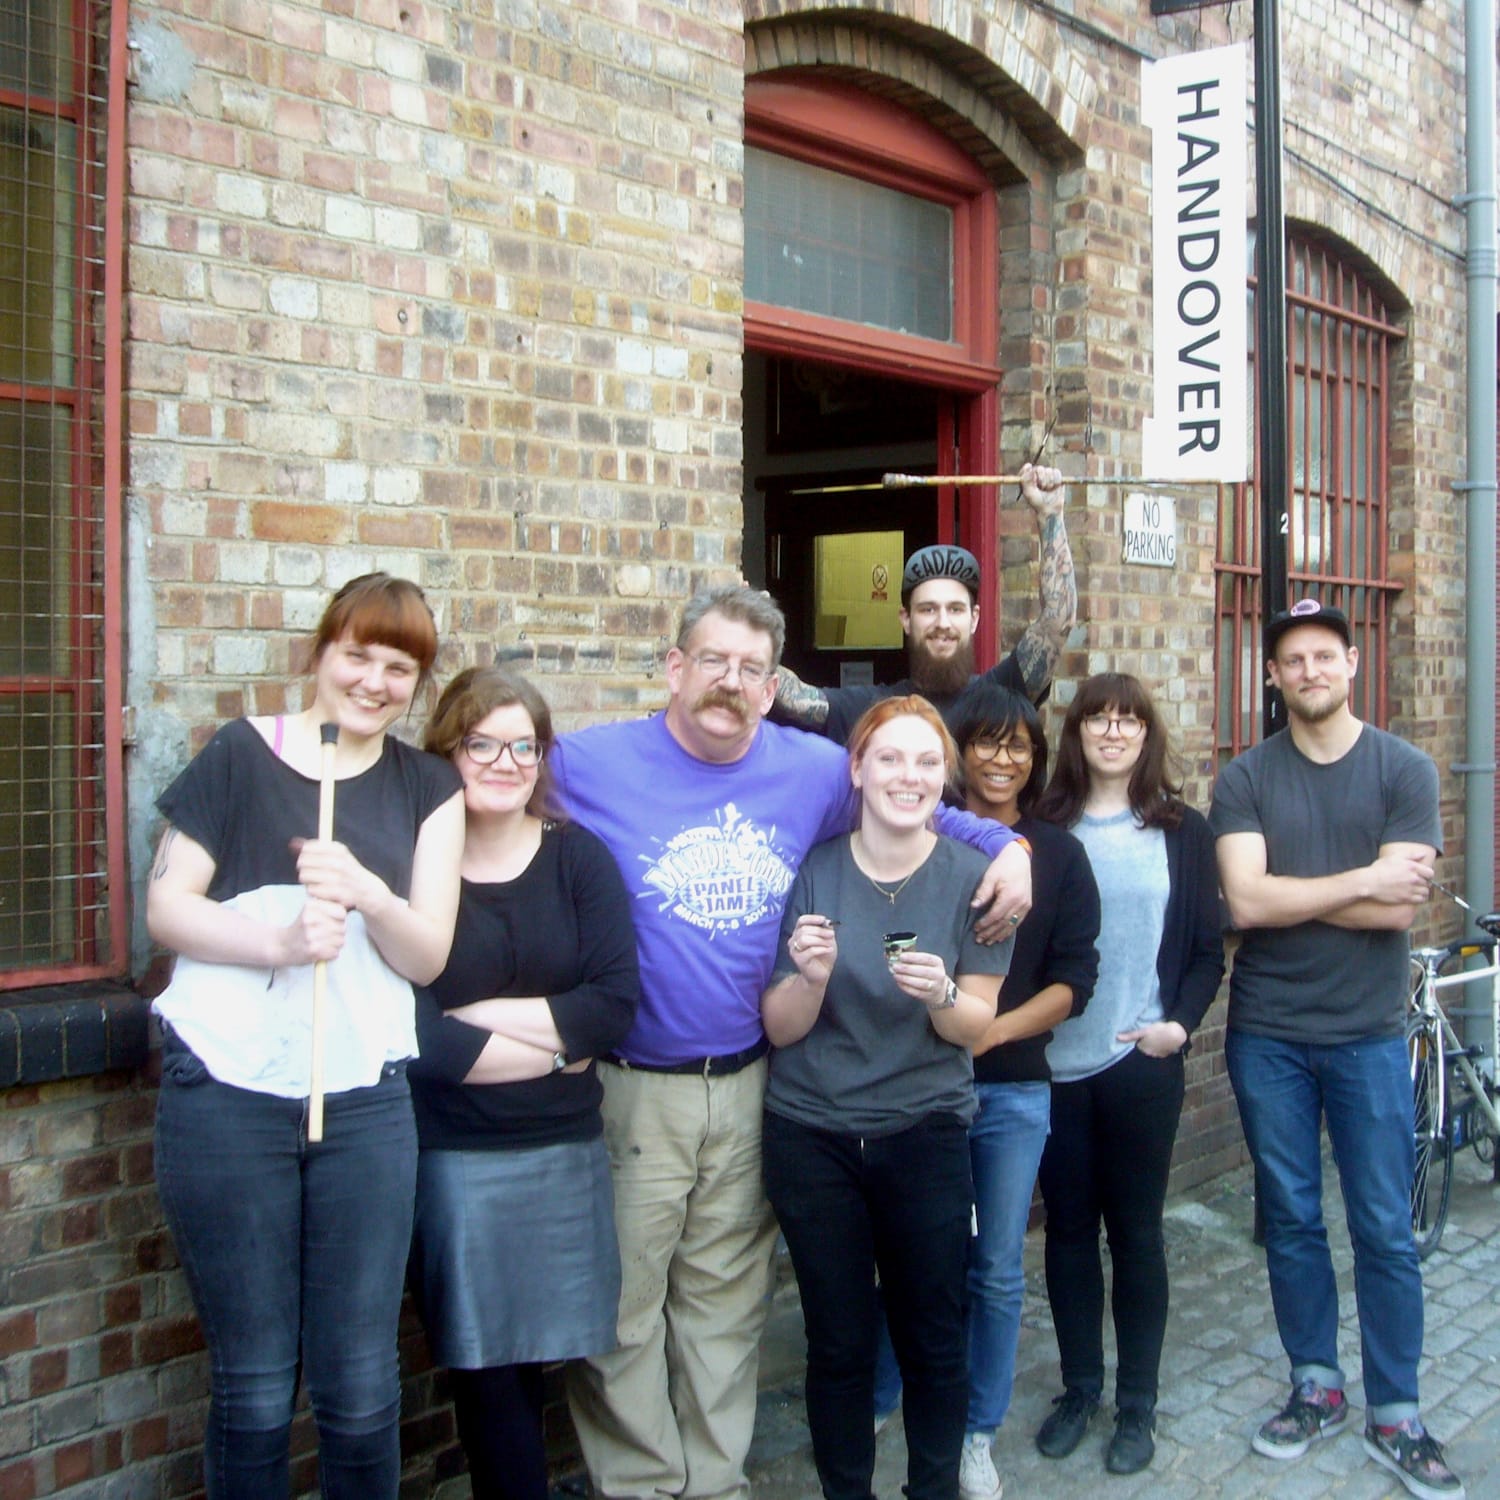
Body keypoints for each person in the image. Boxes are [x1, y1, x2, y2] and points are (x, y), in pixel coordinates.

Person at [551, 586, 1033, 1500]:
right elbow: (485, 784)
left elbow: (910, 792)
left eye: (751, 670)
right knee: (622, 1310)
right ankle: (642, 1484)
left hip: (750, 1083)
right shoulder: (590, 762)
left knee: (725, 1308)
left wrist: (1007, 848)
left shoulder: (811, 769)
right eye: (713, 662)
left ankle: (716, 1482)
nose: (730, 684)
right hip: (636, 1085)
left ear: (773, 688)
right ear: (674, 668)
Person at [146, 573, 466, 1499]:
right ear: (321, 653)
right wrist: (279, 941)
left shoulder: (427, 788)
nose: (373, 681)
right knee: (251, 1387)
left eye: (398, 667)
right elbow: (169, 909)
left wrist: (368, 890)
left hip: (363, 1100)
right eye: (357, 655)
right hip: (227, 1096)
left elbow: (429, 956)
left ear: (417, 683)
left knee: (362, 1388)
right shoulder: (241, 756)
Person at [1208, 600, 1460, 1500]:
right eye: (1291, 660)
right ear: (1272, 678)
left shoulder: (1405, 769)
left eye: (1324, 656)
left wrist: (1290, 890)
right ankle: (1315, 1383)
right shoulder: (1245, 778)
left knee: (1384, 1229)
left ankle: (1398, 1410)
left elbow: (1403, 910)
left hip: (1367, 1037)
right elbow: (1243, 904)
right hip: (1268, 1035)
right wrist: (1358, 880)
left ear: (1353, 665)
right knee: (1293, 1220)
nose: (1308, 671)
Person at [760, 696, 1011, 1500]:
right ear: (858, 769)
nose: (910, 776)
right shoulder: (813, 867)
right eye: (892, 759)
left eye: (928, 762)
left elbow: (973, 1028)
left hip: (923, 1130)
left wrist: (941, 993)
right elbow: (781, 1029)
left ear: (946, 779)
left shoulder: (975, 880)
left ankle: (931, 1489)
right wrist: (810, 978)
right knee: (837, 1340)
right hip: (814, 1133)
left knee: (933, 1333)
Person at [406, 667, 640, 1500]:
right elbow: (415, 1038)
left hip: (561, 1146)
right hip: (456, 1155)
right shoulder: (415, 872)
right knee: (482, 1367)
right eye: (482, 744)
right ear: (447, 751)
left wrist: (478, 1013)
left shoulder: (579, 860)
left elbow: (611, 1008)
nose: (504, 762)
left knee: (540, 1357)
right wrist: (551, 1044)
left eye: (524, 745)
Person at [1029, 672, 1224, 1475]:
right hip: (1055, 1065)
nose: (1113, 732)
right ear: (1074, 733)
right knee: (1068, 1233)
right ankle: (1081, 1388)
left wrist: (1178, 1026)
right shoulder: (1042, 825)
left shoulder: (1181, 829)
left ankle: (1136, 1403)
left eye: (1129, 720)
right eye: (1098, 719)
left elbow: (1208, 949)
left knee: (1136, 1234)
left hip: (1140, 1061)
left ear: (1147, 735)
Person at [772, 463, 1075, 738]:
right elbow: (795, 699)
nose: (942, 623)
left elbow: (1057, 621)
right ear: (905, 618)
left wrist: (1050, 515)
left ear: (975, 618)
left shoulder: (1002, 693)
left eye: (955, 609)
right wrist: (749, 626)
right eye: (928, 609)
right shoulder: (874, 709)